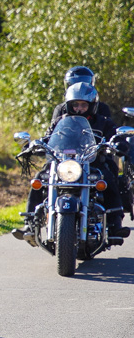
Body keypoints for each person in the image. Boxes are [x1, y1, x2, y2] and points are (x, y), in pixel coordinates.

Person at [13, 82, 129, 242]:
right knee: (39, 179)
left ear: (92, 105)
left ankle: (115, 223)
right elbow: (48, 137)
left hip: (92, 163)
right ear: (69, 105)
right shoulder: (60, 121)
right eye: (75, 105)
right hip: (63, 164)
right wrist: (35, 145)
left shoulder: (102, 122)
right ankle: (29, 223)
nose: (79, 108)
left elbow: (114, 136)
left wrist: (117, 144)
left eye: (83, 105)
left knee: (108, 179)